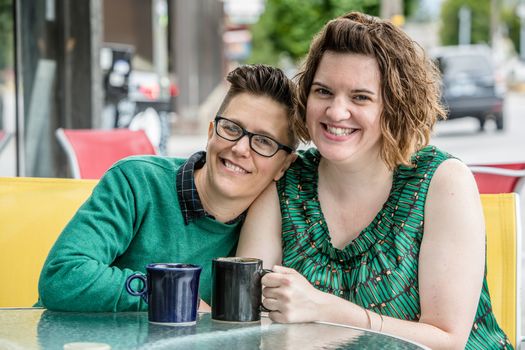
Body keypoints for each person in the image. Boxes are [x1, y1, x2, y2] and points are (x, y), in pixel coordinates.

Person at [237, 12, 511, 349]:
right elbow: (247, 320)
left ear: (395, 106)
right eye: (323, 91)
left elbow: (446, 340)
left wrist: (328, 310)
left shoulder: (442, 181)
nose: (336, 112)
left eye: (360, 97)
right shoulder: (285, 184)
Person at [37, 64, 298, 312]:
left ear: (284, 165)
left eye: (263, 142)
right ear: (211, 132)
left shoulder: (271, 225)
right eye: (231, 128)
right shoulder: (136, 180)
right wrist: (178, 296)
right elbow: (62, 275)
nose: (240, 148)